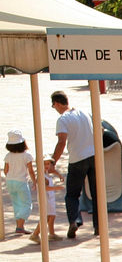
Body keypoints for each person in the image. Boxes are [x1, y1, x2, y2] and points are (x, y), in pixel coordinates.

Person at [51, 90, 97, 239]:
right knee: (97, 193)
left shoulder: (63, 119)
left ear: (57, 103)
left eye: (53, 106)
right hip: (94, 156)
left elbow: (61, 142)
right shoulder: (84, 113)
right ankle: (99, 226)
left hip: (77, 159)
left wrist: (53, 161)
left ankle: (74, 220)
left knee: (72, 194)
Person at [3, 129, 35, 235]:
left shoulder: (8, 155)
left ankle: (19, 226)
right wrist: (34, 182)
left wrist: (11, 176)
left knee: (16, 203)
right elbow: (31, 171)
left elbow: (5, 170)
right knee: (26, 204)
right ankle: (20, 226)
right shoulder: (26, 155)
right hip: (21, 181)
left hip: (10, 181)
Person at [29, 157, 65, 243]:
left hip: (50, 197)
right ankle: (35, 234)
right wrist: (56, 188)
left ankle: (52, 234)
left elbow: (52, 170)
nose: (47, 166)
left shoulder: (46, 172)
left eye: (48, 164)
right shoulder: (41, 176)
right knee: (45, 217)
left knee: (52, 215)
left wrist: (59, 175)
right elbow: (44, 188)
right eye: (44, 164)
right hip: (45, 198)